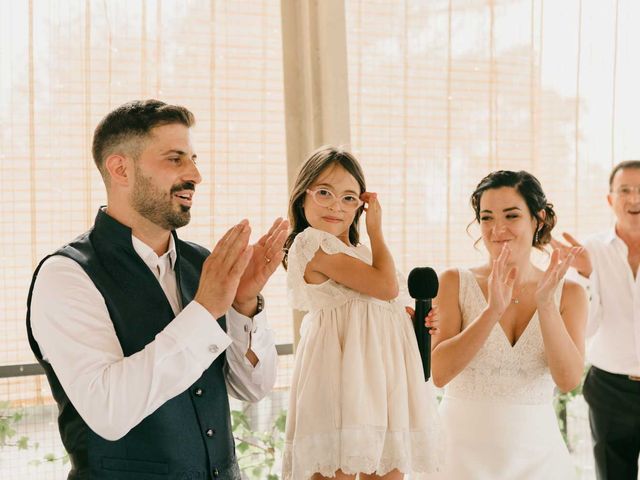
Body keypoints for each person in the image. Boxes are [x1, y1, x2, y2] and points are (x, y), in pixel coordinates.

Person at [26, 99, 288, 480]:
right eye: (175, 159)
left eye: (194, 159)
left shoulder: (204, 264)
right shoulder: (66, 276)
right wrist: (206, 309)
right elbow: (109, 411)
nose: (195, 175)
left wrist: (243, 306)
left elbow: (253, 389)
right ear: (121, 168)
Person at [281, 146, 442, 480]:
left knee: (386, 469)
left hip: (381, 378)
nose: (336, 206)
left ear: (359, 204)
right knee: (335, 468)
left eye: (349, 198)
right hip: (342, 375)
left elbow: (383, 303)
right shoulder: (312, 244)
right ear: (303, 196)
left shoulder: (361, 253)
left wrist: (411, 325)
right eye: (324, 193)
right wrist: (377, 229)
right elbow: (386, 286)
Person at [431, 170, 587, 479]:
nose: (497, 228)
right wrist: (491, 312)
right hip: (459, 454)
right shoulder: (452, 282)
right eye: (486, 218)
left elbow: (568, 380)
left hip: (538, 456)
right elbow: (439, 373)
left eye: (511, 215)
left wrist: (546, 306)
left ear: (538, 219)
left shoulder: (570, 293)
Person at [551, 160, 640, 480]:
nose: (634, 199)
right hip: (610, 386)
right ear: (610, 199)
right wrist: (587, 274)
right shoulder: (589, 250)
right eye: (625, 190)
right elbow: (586, 328)